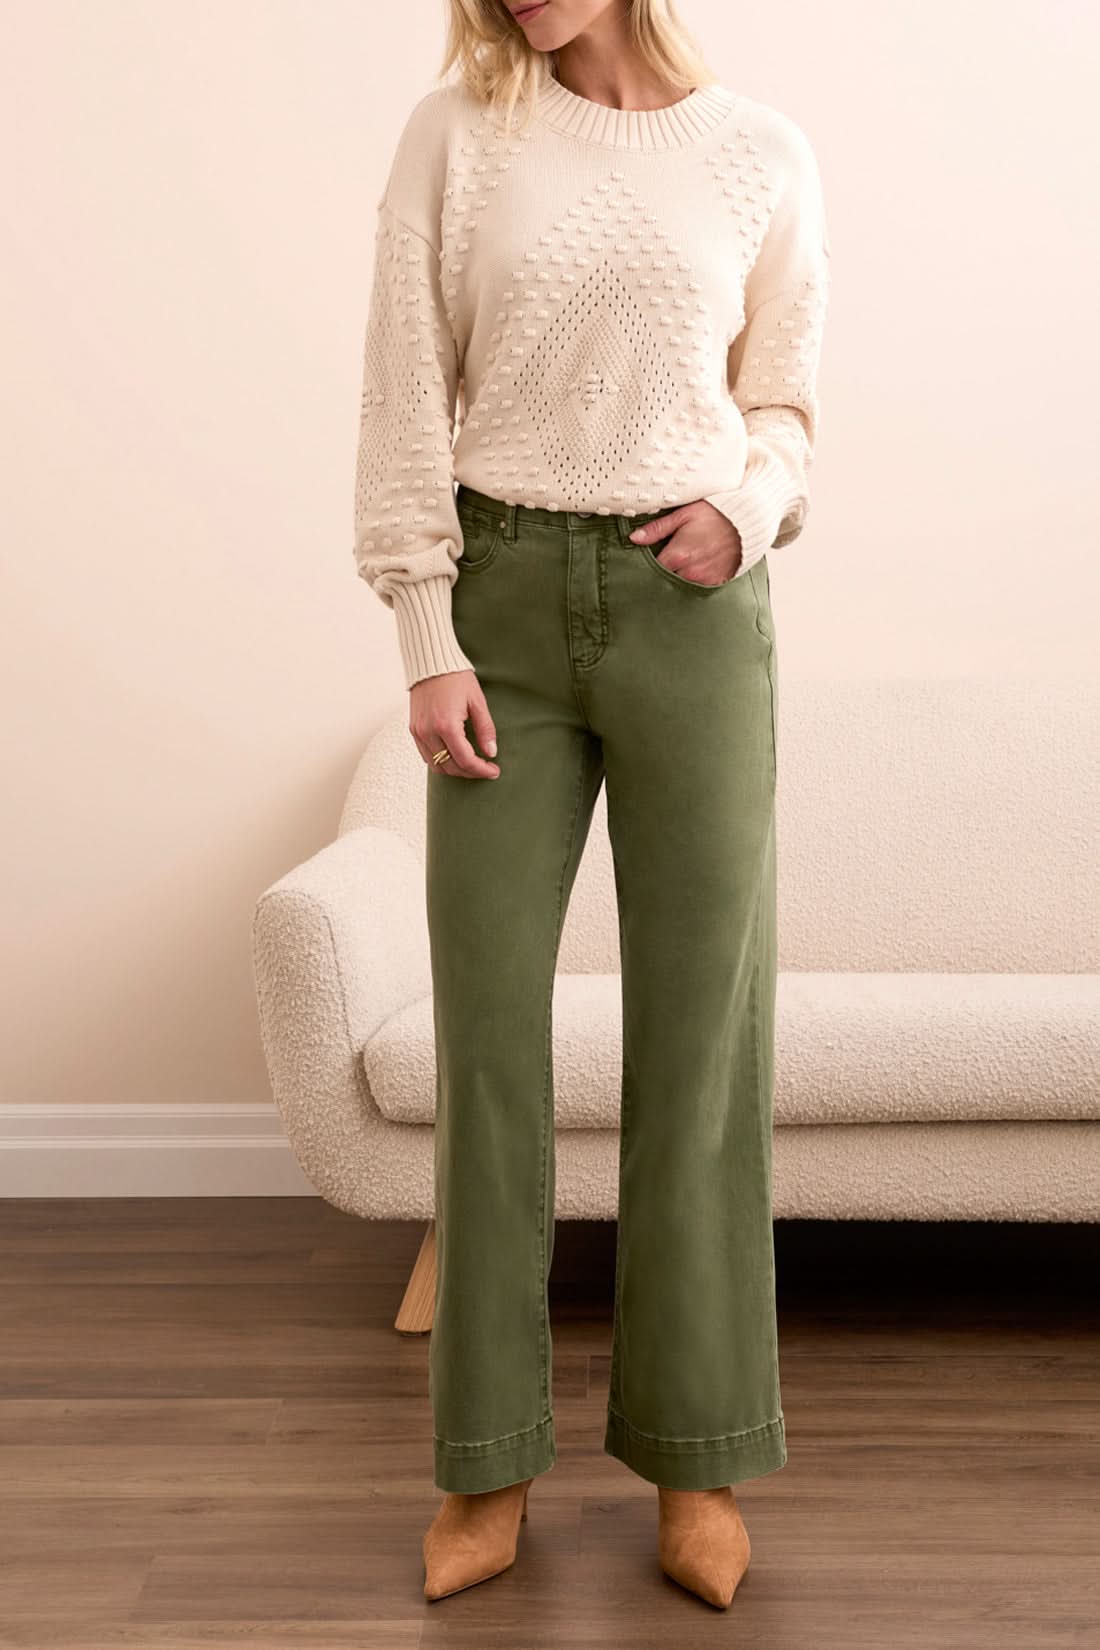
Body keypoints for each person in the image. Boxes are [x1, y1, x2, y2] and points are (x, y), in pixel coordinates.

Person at [352, 0, 830, 1610]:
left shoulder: (762, 154)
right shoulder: (457, 136)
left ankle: (698, 1460)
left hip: (694, 612)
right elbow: (403, 390)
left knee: (702, 1037)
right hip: (499, 595)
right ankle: (483, 1462)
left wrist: (746, 511)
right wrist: (427, 634)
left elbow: (785, 407)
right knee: (489, 1035)